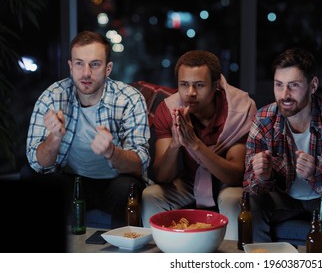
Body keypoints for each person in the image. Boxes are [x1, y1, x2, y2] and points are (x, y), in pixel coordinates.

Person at [24, 30, 150, 228]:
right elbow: (37, 163)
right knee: (30, 177)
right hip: (72, 180)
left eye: (95, 64)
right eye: (79, 63)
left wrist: (111, 152)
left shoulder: (129, 99)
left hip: (113, 182)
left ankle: (123, 252)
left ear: (108, 68)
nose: (86, 73)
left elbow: (139, 164)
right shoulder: (52, 97)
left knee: (126, 187)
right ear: (70, 66)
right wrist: (54, 139)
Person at [243, 47, 322, 248]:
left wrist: (315, 174)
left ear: (313, 86)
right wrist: (263, 176)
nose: (284, 94)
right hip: (283, 198)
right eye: (279, 85)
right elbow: (250, 186)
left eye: (293, 85)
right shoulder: (263, 120)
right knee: (252, 204)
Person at [141, 50, 257, 240]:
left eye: (199, 85)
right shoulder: (168, 109)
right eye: (184, 85)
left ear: (216, 84)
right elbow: (162, 176)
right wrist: (175, 145)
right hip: (189, 180)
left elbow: (236, 175)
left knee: (232, 199)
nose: (190, 93)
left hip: (226, 183)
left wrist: (195, 144)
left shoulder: (241, 109)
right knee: (151, 195)